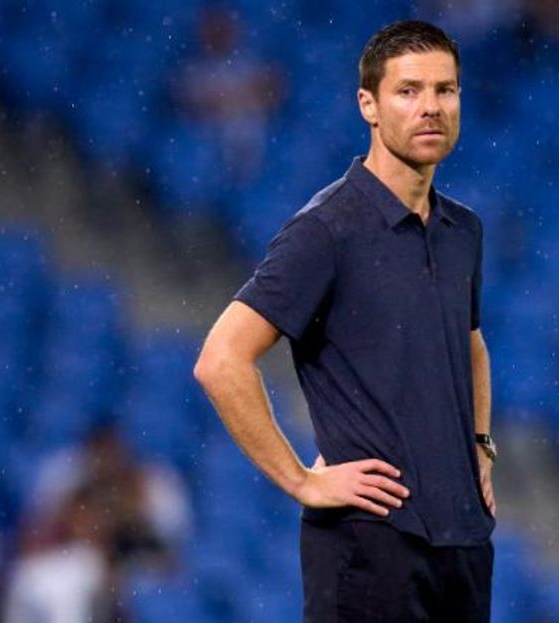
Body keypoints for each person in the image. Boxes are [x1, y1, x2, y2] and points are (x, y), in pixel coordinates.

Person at [193, 20, 496, 622]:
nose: (431, 107)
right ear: (369, 105)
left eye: (445, 90)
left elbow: (471, 344)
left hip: (463, 543)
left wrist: (481, 447)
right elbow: (221, 360)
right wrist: (303, 481)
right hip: (370, 547)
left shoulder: (463, 229)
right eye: (408, 91)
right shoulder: (326, 230)